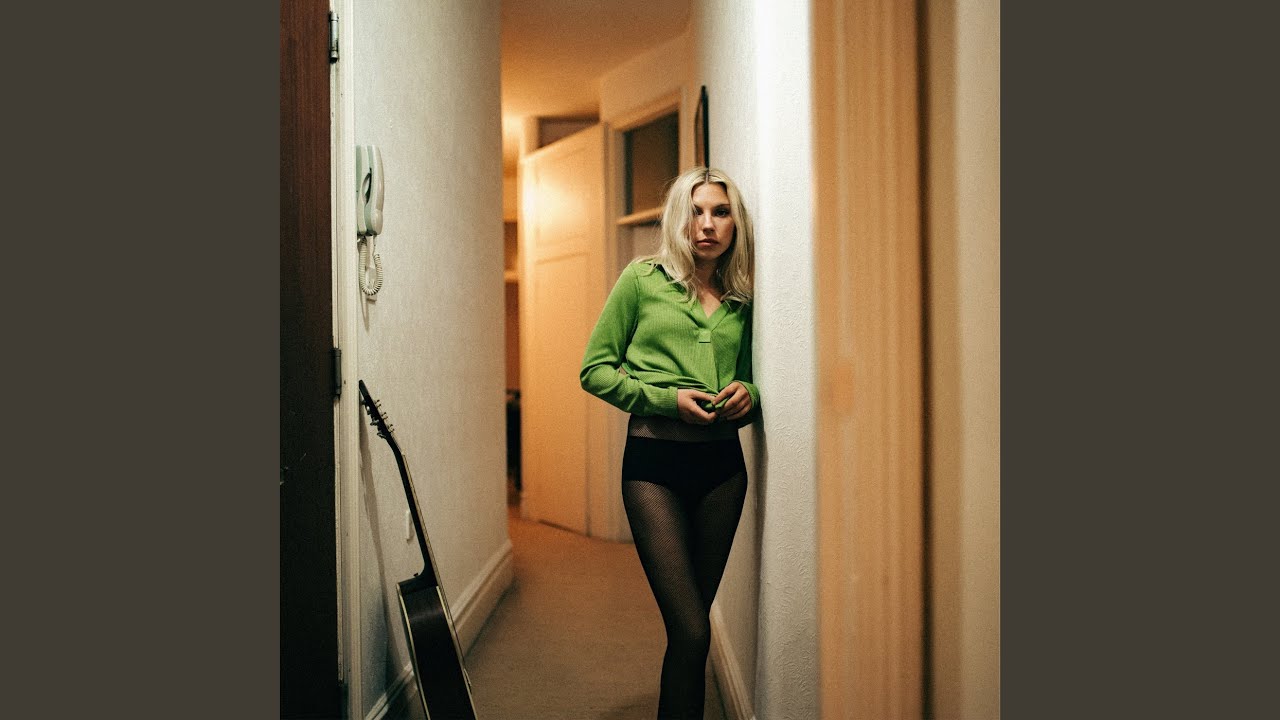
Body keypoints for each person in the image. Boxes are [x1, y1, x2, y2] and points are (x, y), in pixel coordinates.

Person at [580, 166, 759, 719]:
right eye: (695, 211)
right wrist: (666, 399)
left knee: (692, 631)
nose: (707, 225)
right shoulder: (642, 279)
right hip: (654, 465)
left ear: (736, 223)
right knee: (690, 628)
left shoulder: (744, 298)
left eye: (721, 212)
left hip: (723, 470)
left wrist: (749, 394)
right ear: (678, 219)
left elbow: (752, 378)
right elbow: (594, 370)